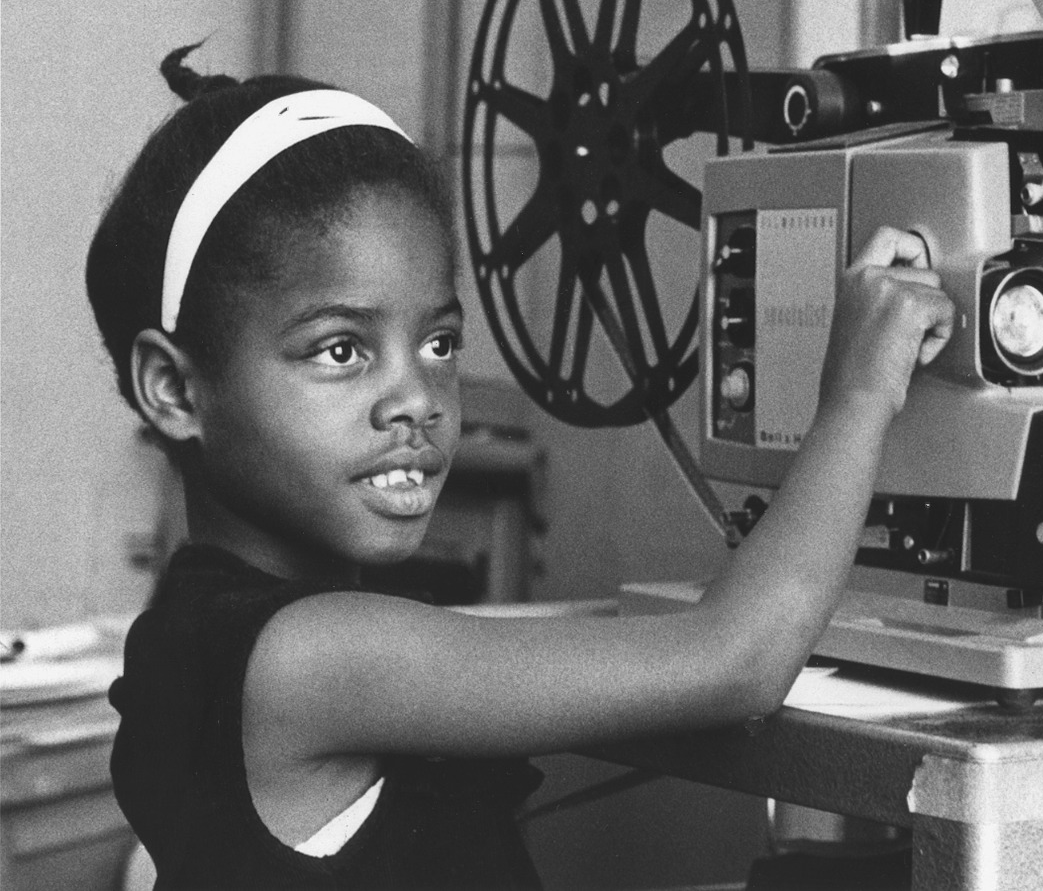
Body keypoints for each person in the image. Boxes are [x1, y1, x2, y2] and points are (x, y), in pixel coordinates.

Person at [88, 47, 954, 889]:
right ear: (174, 388)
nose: (416, 400)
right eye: (342, 349)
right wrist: (859, 388)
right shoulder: (305, 658)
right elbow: (737, 660)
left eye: (438, 343)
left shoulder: (210, 630)